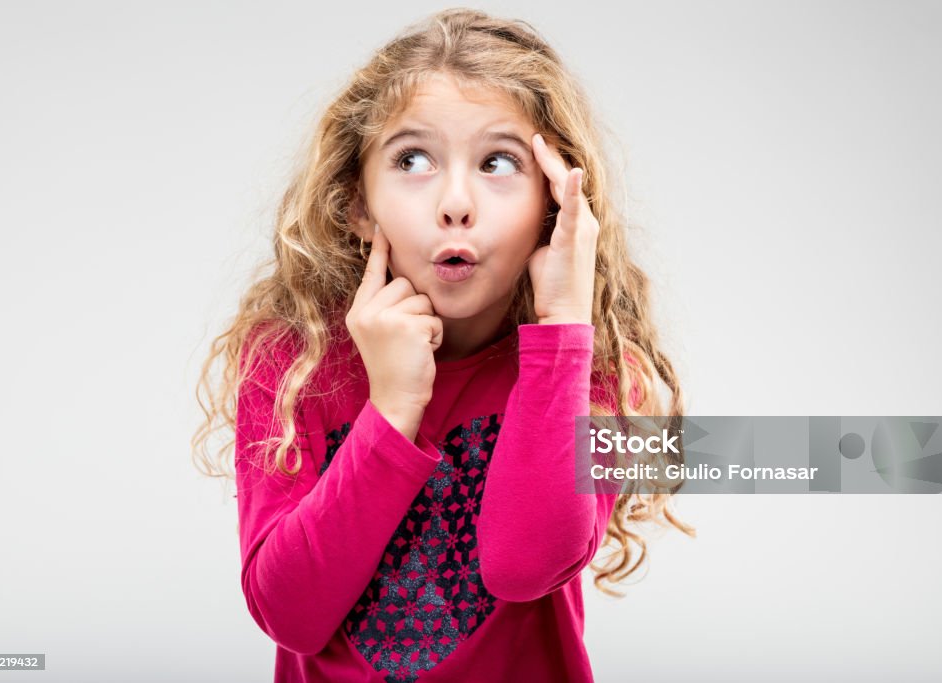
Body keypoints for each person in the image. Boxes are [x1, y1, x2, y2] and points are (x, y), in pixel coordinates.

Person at [193, 8, 694, 682]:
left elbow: (525, 566)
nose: (456, 203)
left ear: (552, 204)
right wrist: (393, 410)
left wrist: (564, 327)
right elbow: (290, 613)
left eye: (497, 163)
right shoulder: (292, 358)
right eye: (414, 160)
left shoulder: (586, 368)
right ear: (356, 203)